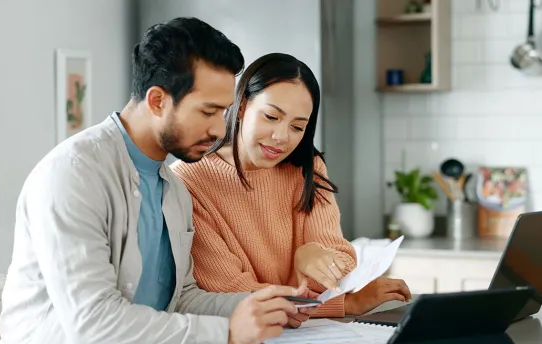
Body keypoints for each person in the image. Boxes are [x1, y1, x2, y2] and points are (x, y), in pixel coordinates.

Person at [0, 19, 308, 344]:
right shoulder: (74, 175)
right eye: (208, 111)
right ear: (158, 100)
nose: (220, 129)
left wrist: (263, 305)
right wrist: (228, 334)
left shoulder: (173, 187)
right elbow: (93, 324)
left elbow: (182, 298)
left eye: (224, 112)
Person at [171, 53, 411, 328]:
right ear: (240, 107)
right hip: (242, 337)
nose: (282, 137)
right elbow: (230, 290)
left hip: (305, 335)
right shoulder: (189, 180)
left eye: (298, 126)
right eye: (272, 116)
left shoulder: (307, 167)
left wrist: (312, 254)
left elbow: (343, 259)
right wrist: (342, 304)